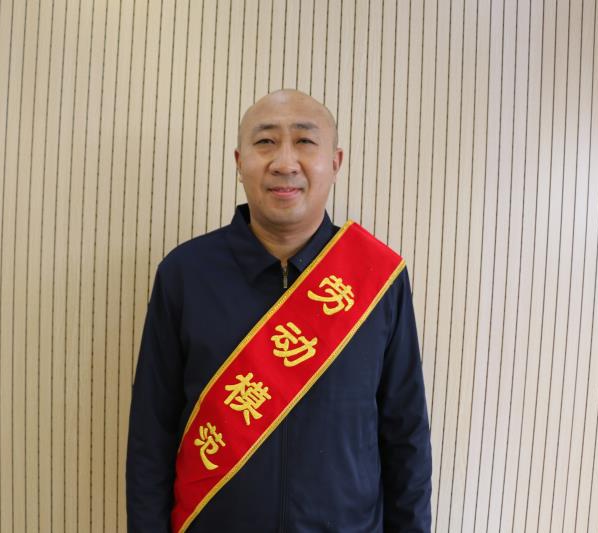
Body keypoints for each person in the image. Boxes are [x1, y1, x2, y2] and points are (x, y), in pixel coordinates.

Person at [126, 89, 431, 532]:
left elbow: (405, 436)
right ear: (239, 161)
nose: (285, 163)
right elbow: (150, 436)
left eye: (305, 141)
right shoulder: (185, 274)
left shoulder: (376, 278)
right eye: (265, 141)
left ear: (336, 162)